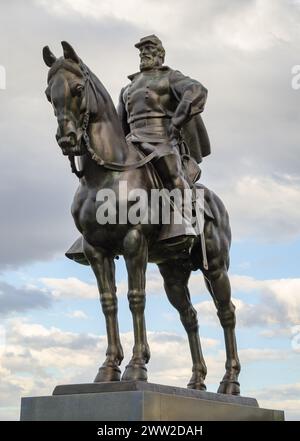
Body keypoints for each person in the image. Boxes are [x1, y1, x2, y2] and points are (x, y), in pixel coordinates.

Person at [118, 35, 211, 241]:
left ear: (160, 55)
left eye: (149, 50)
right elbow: (119, 126)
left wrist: (178, 119)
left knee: (173, 176)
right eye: (141, 51)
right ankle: (92, 232)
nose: (144, 54)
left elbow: (197, 90)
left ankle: (184, 223)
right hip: (132, 143)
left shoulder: (170, 77)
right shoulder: (127, 89)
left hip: (161, 141)